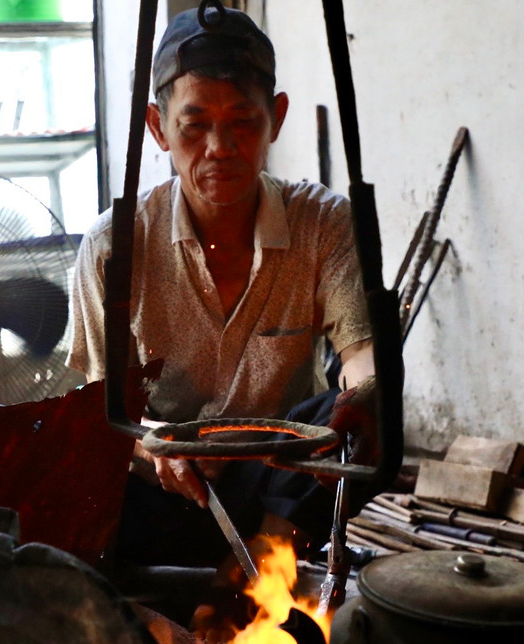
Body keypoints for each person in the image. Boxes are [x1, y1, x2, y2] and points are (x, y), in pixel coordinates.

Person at [68, 6, 383, 574]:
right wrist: (156, 444)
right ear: (158, 128)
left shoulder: (324, 224)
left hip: (271, 499)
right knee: (13, 442)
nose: (220, 147)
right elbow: (103, 406)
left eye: (243, 121)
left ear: (276, 118)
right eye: (195, 125)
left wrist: (367, 395)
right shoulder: (115, 247)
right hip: (157, 494)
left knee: (345, 417)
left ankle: (259, 572)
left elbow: (363, 355)